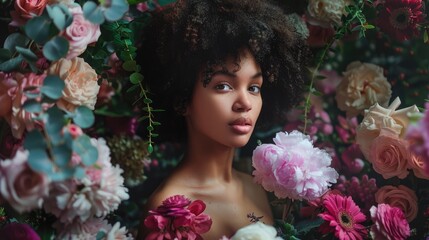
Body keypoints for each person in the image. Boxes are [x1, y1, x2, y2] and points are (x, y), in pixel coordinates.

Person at [137, 0, 309, 238]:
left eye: (254, 88)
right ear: (182, 98)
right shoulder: (167, 211)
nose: (245, 103)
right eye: (224, 86)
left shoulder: (255, 188)